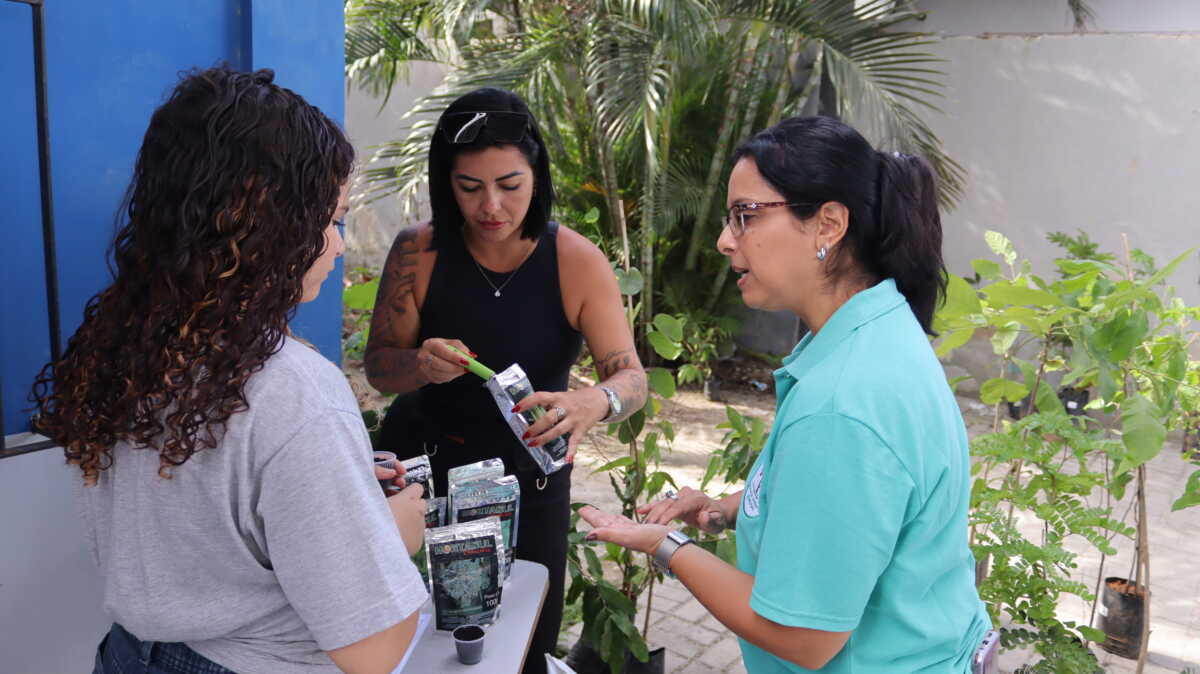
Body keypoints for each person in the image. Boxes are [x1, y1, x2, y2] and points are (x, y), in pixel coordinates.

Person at [31, 67, 428, 674]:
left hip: (128, 656)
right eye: (332, 220)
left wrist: (333, 487)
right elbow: (374, 650)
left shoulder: (125, 348)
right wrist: (391, 534)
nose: (339, 244)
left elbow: (203, 508)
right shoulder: (293, 392)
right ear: (267, 220)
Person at [580, 116, 993, 672]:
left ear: (828, 225)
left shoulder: (841, 405)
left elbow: (802, 637)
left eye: (746, 215)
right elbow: (860, 511)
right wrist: (728, 509)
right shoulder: (879, 331)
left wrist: (663, 545)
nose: (725, 239)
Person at [364, 87, 647, 673]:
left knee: (523, 648)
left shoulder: (575, 261)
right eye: (469, 187)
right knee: (409, 646)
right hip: (422, 482)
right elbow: (378, 365)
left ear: (537, 178)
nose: (491, 206)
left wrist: (594, 400)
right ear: (446, 183)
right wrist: (420, 365)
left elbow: (632, 378)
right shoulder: (419, 251)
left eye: (510, 185)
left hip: (529, 484)